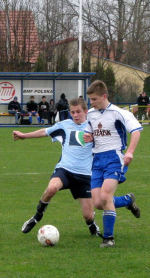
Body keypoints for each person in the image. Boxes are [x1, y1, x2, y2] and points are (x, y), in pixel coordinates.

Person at [13, 98, 101, 237]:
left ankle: (91, 224)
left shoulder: (94, 128)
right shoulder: (64, 125)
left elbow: (108, 141)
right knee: (52, 188)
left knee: (88, 215)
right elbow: (44, 132)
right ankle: (37, 216)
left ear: (85, 111)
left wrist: (95, 138)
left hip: (85, 176)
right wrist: (24, 136)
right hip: (65, 170)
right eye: (73, 112)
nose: (76, 115)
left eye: (78, 111)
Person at [83, 80, 142, 248]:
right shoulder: (91, 115)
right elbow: (90, 135)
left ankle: (108, 238)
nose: (91, 103)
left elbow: (136, 131)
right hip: (97, 160)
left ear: (104, 96)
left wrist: (129, 152)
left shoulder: (118, 113)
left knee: (106, 196)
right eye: (90, 100)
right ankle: (127, 200)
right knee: (98, 203)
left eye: (94, 99)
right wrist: (89, 137)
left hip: (114, 158)